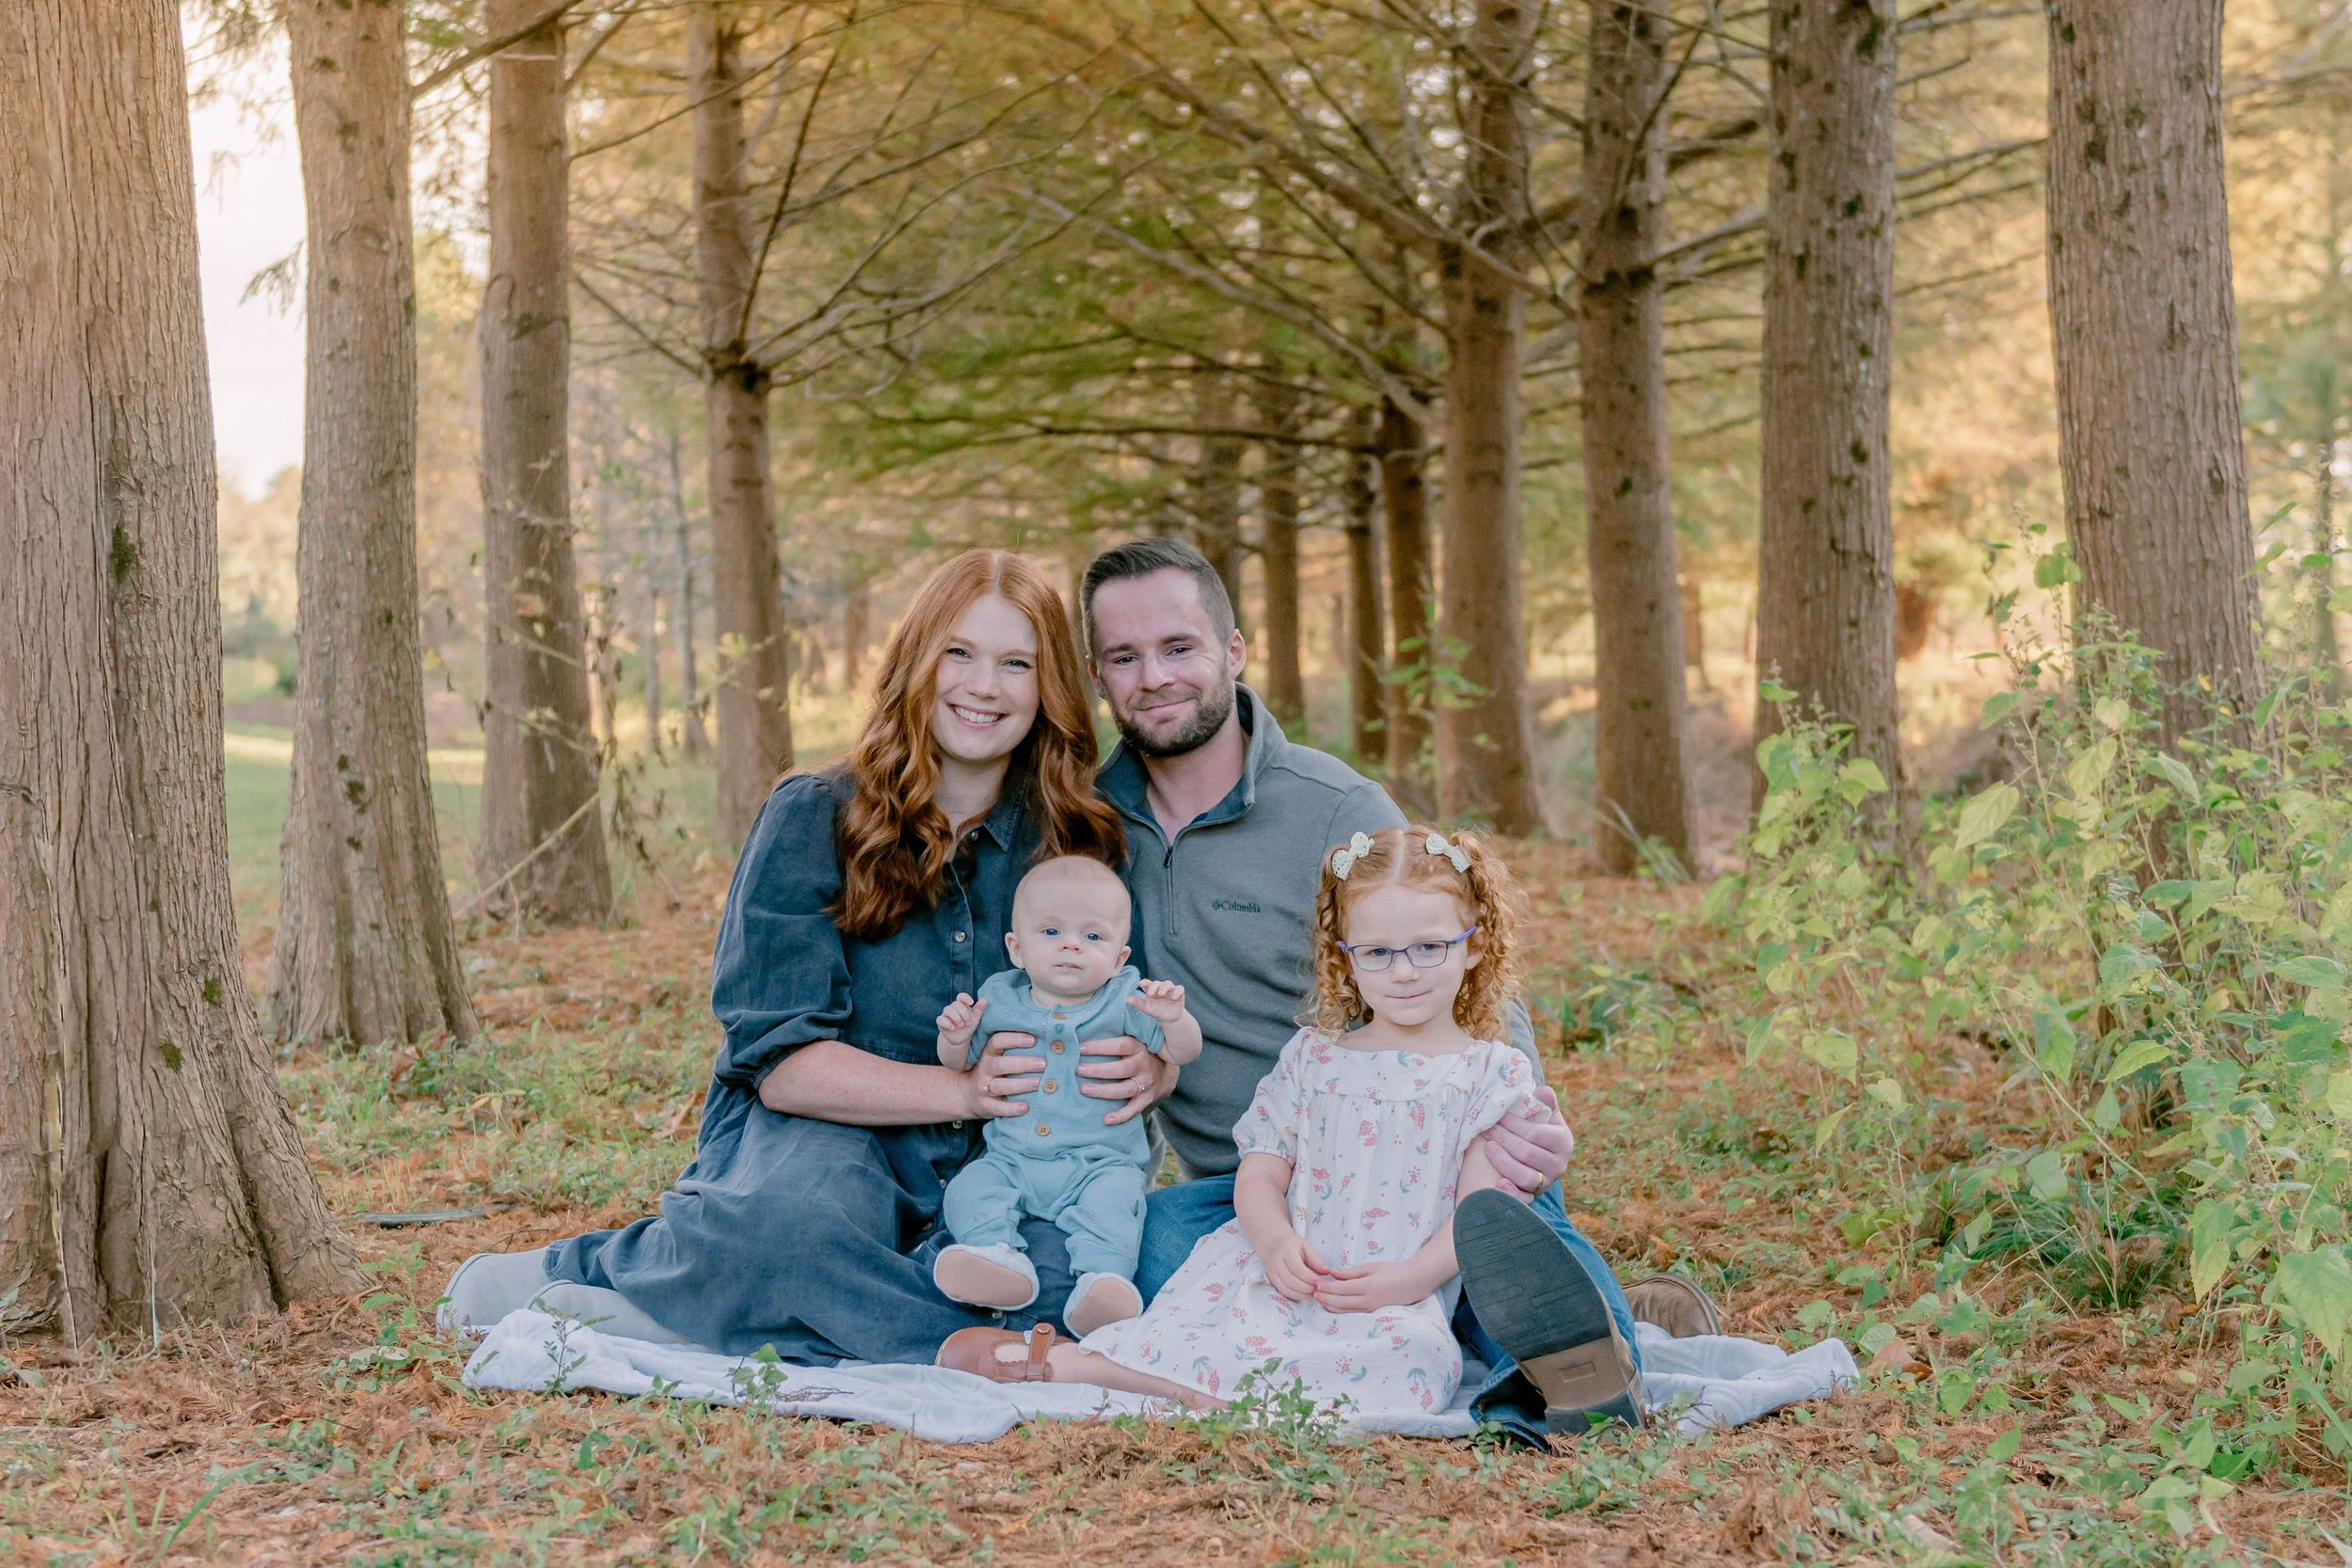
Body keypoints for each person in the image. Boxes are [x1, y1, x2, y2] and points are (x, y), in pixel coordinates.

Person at [1040, 537, 1686, 1440]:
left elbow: (1448, 953)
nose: (1154, 676)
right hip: (1258, 1183)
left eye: (1178, 647)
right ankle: (1596, 1320)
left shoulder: (1335, 809)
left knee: (1495, 1230)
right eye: (1124, 657)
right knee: (1144, 1245)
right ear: (1101, 677)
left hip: (1423, 1155)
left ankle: (1568, 1371)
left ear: (1234, 649)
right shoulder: (1084, 821)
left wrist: (1517, 1116)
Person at [437, 548, 1150, 1360]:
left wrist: (1151, 1063)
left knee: (1082, 1276)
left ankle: (699, 1313)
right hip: (827, 1130)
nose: (984, 686)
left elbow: (1120, 1004)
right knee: (789, 1232)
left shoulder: (1074, 842)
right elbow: (783, 1064)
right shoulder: (813, 815)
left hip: (1012, 1152)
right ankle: (605, 1272)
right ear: (917, 661)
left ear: (1047, 686)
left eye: (1015, 663)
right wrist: (964, 1087)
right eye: (959, 652)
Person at [940, 827, 1630, 1430]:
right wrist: (1272, 1245)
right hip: (1285, 1274)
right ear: (1345, 954)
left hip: (1396, 1291)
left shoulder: (1488, 1072)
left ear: (1474, 945)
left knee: (1415, 1366)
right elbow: (1263, 1169)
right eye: (1379, 952)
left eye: (1429, 946)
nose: (1405, 971)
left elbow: (1478, 1213)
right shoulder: (1316, 1057)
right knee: (1198, 1323)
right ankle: (1072, 1364)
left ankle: (1583, 1372)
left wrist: (1403, 1280)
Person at [930, 855, 1201, 1335]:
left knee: (1116, 1206)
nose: (1072, 945)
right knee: (972, 1188)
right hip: (1012, 1160)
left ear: (1119, 958)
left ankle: (1102, 1283)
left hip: (1100, 1163)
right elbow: (960, 1064)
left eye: (1092, 936)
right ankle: (994, 1256)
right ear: (1017, 948)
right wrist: (955, 1036)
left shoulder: (1128, 999)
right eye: (1051, 932)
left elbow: (1183, 1053)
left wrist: (1173, 1019)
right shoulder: (1000, 995)